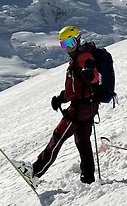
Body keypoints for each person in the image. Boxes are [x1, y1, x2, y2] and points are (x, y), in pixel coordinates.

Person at [14, 25, 101, 186]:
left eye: (70, 43)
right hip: (89, 107)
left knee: (58, 136)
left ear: (78, 40)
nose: (68, 48)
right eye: (64, 45)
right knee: (82, 141)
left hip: (80, 109)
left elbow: (93, 73)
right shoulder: (76, 58)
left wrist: (90, 72)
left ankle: (35, 171)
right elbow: (76, 87)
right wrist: (61, 98)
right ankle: (88, 178)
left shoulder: (83, 57)